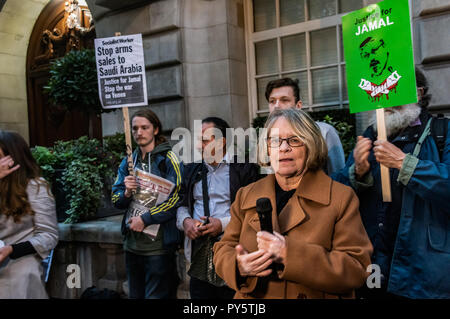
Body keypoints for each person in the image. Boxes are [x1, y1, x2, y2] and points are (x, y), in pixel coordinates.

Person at [213, 109, 372, 299]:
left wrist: (290, 254)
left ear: (311, 144)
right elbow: (223, 249)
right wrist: (238, 266)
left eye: (294, 140)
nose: (283, 148)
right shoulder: (246, 194)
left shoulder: (341, 197)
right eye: (274, 141)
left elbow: (357, 270)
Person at [332, 68, 450, 298]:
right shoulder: (369, 135)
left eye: (394, 88)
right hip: (373, 268)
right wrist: (357, 172)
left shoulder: (442, 131)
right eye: (381, 90)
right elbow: (337, 194)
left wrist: (405, 164)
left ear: (418, 92)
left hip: (422, 276)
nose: (387, 98)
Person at [176, 117, 261, 299]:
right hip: (199, 256)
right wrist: (186, 222)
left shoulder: (245, 169)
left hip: (233, 254)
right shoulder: (190, 169)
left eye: (205, 140)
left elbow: (253, 213)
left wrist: (221, 225)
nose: (199, 145)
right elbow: (180, 203)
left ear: (222, 141)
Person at [112, 109, 184, 299]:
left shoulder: (169, 159)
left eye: (145, 127)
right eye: (135, 128)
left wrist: (145, 219)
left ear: (155, 129)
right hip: (131, 245)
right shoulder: (128, 161)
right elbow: (115, 199)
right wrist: (126, 192)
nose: (139, 132)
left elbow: (177, 198)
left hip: (158, 248)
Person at [0, 130, 59, 298]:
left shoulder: (35, 187)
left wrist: (12, 249)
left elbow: (49, 235)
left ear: (13, 158)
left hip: (20, 267)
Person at [265, 77, 345, 175]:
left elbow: (338, 174)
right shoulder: (266, 137)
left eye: (284, 100)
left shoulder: (324, 132)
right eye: (272, 101)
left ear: (298, 106)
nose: (276, 106)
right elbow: (268, 175)